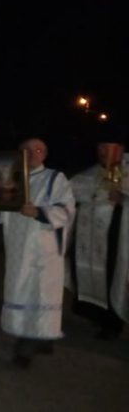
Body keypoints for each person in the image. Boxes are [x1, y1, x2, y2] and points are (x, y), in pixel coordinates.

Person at [0, 138, 75, 367]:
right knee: (20, 291)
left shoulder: (54, 178)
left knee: (40, 294)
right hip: (17, 247)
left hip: (43, 249)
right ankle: (43, 337)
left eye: (37, 150)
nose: (31, 153)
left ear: (44, 154)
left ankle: (26, 348)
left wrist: (38, 212)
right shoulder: (9, 177)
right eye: (25, 150)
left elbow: (67, 209)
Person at [69, 137, 129, 340]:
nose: (103, 151)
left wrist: (123, 197)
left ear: (120, 148)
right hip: (89, 235)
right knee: (88, 270)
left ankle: (112, 324)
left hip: (117, 235)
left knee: (113, 275)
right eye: (100, 146)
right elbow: (73, 189)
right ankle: (95, 315)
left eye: (108, 146)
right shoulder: (92, 172)